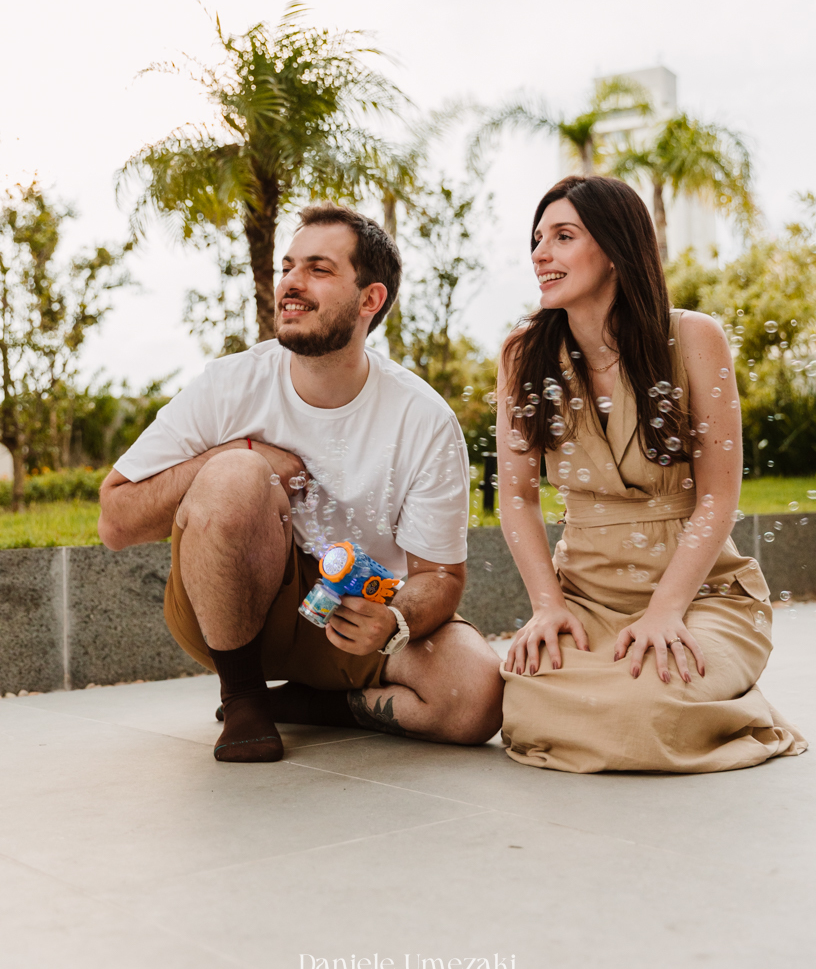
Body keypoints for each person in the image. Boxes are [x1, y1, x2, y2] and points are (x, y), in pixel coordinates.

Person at [99, 203, 502, 763]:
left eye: (318, 268)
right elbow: (115, 520)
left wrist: (396, 619)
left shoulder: (423, 418)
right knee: (236, 474)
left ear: (370, 299)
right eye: (288, 266)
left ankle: (320, 705)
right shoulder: (231, 384)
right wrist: (240, 451)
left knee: (476, 695)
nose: (290, 282)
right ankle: (243, 698)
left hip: (355, 614)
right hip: (236, 608)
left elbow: (440, 575)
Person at [497, 175, 807, 773]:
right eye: (538, 238)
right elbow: (518, 498)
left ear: (614, 250)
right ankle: (694, 703)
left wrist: (665, 611)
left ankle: (734, 708)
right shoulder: (522, 354)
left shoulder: (694, 337)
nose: (541, 254)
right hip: (586, 596)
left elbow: (719, 496)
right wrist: (546, 606)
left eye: (563, 236)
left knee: (645, 706)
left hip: (700, 595)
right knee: (519, 693)